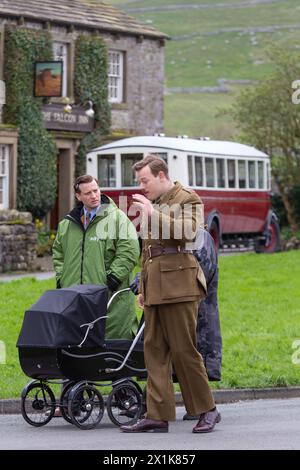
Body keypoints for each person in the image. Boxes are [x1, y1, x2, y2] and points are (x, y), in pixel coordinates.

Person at [120, 155, 221, 434]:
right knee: (154, 352)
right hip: (155, 288)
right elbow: (149, 251)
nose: (142, 186)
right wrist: (142, 286)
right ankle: (157, 414)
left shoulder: (188, 198)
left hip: (180, 286)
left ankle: (207, 410)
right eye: (139, 181)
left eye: (145, 180)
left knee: (184, 351)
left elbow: (189, 235)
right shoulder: (154, 203)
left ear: (162, 175)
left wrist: (153, 214)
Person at [51, 174, 140, 416]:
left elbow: (130, 249)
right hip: (76, 300)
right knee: (75, 347)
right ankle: (72, 400)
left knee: (113, 347)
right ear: (78, 196)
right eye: (88, 192)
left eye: (96, 190)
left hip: (110, 299)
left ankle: (126, 400)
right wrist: (61, 278)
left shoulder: (116, 218)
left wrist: (112, 278)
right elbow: (58, 253)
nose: (94, 195)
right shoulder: (67, 224)